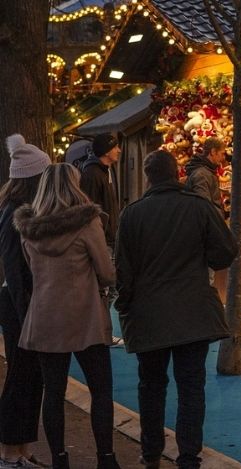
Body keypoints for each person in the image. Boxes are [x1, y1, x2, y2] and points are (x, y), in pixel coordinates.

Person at [115, 150, 237, 469]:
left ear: (148, 177)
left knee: (151, 386)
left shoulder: (132, 214)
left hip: (149, 315)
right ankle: (188, 457)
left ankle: (151, 453)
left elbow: (123, 270)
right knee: (191, 387)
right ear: (177, 173)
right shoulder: (198, 207)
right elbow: (225, 251)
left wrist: (125, 305)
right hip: (193, 313)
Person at [13, 164, 118, 469]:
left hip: (45, 317)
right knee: (101, 390)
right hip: (85, 318)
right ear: (74, 186)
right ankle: (106, 458)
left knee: (54, 392)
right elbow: (106, 272)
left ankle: (59, 458)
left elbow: (31, 271)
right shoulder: (87, 223)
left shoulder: (29, 229)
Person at [0, 134, 49, 468]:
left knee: (30, 375)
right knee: (22, 374)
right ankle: (10, 448)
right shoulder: (16, 213)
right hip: (20, 303)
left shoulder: (15, 209)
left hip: (21, 301)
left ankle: (21, 446)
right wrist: (26, 310)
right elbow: (14, 267)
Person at [79, 133, 121, 247]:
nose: (119, 150)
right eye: (115, 147)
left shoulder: (105, 171)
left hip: (108, 238)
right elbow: (88, 209)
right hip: (100, 240)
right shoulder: (92, 174)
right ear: (106, 152)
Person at [184, 137, 226, 210]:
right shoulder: (202, 175)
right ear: (213, 152)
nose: (223, 158)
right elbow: (203, 207)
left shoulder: (207, 171)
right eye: (222, 153)